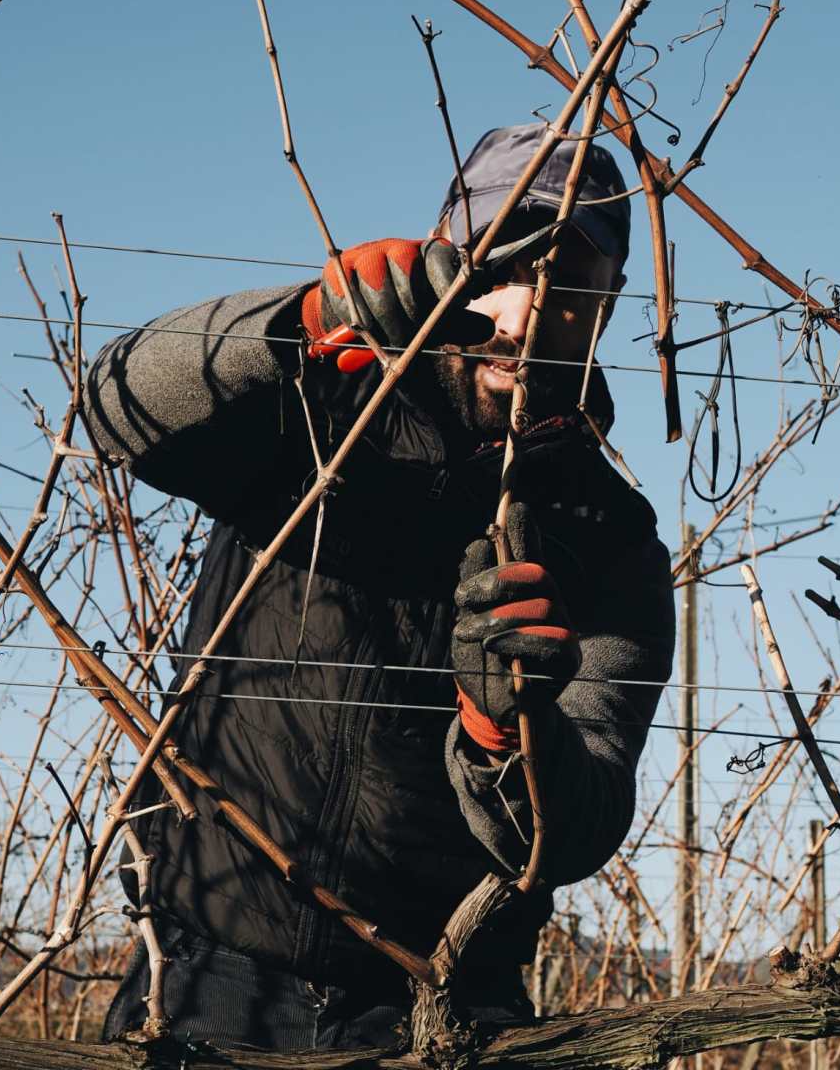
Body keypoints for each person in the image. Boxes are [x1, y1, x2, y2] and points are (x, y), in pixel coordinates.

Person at [85, 121, 675, 1051]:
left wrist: (505, 730)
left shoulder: (608, 537)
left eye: (570, 279)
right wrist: (303, 321)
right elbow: (116, 404)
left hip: (445, 1017)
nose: (524, 310)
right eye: (504, 260)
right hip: (204, 985)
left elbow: (579, 824)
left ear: (606, 305)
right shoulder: (316, 403)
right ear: (447, 255)